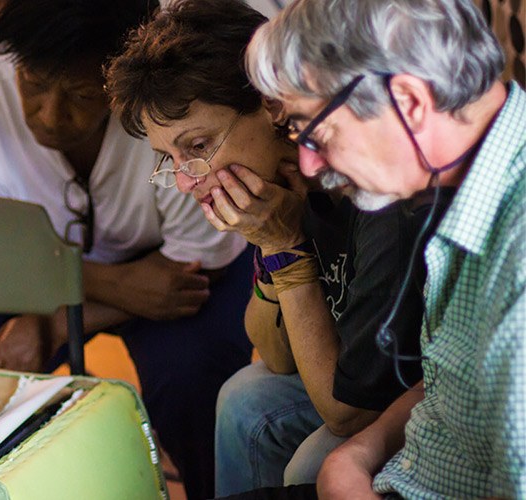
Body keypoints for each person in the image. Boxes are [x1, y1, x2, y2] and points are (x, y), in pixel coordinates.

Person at [104, 0, 453, 495]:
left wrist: (286, 245)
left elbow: (347, 413)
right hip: (346, 379)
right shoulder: (283, 181)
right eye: (169, 158)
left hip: (418, 392)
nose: (184, 181)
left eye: (198, 147)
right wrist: (271, 246)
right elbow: (275, 354)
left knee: (311, 464)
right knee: (246, 395)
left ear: (271, 105)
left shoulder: (371, 189)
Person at [0, 0, 254, 497]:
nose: (50, 115)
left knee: (192, 378)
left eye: (82, 94)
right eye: (33, 84)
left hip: (183, 282)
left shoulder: (174, 104)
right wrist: (115, 285)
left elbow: (189, 273)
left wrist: (59, 320)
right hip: (44, 283)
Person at [244, 0, 525, 497]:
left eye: (317, 130)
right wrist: (361, 452)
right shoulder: (463, 183)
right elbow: (452, 379)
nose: (307, 164)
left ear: (411, 103)